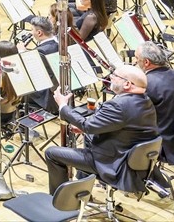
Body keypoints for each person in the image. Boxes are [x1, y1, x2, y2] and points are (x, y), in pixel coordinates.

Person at [45, 64, 158, 192]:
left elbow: (87, 126)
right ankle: (80, 192)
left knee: (52, 153)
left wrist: (63, 106)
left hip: (113, 165)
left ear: (127, 84)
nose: (110, 77)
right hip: (132, 161)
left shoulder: (118, 105)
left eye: (115, 76)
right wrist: (88, 128)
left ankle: (61, 203)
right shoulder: (146, 101)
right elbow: (124, 126)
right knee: (88, 137)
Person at [136, 41, 174, 165]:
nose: (135, 62)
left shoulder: (147, 84)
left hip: (165, 147)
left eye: (137, 59)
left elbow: (135, 116)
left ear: (146, 62)